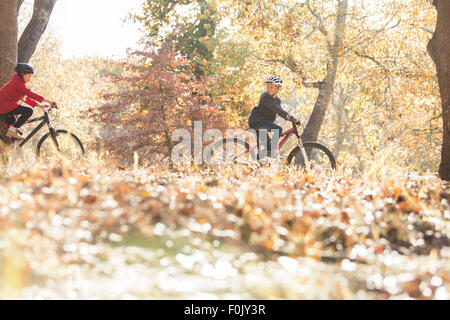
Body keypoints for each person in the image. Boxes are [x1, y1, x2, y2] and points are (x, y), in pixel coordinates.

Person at [0, 63, 57, 140]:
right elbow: (30, 94)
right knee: (29, 111)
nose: (30, 79)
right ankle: (11, 133)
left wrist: (40, 105)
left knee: (13, 133)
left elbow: (26, 98)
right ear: (22, 73)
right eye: (29, 76)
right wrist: (49, 101)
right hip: (4, 106)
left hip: (5, 108)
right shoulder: (18, 83)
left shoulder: (18, 82)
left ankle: (6, 145)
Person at [248, 76, 300, 158]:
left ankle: (260, 160)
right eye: (268, 87)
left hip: (263, 122)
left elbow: (280, 111)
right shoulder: (265, 96)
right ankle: (272, 153)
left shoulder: (277, 100)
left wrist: (291, 120)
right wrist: (291, 118)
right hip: (256, 121)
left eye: (271, 87)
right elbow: (275, 109)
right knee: (277, 129)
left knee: (266, 148)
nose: (269, 89)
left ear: (278, 88)